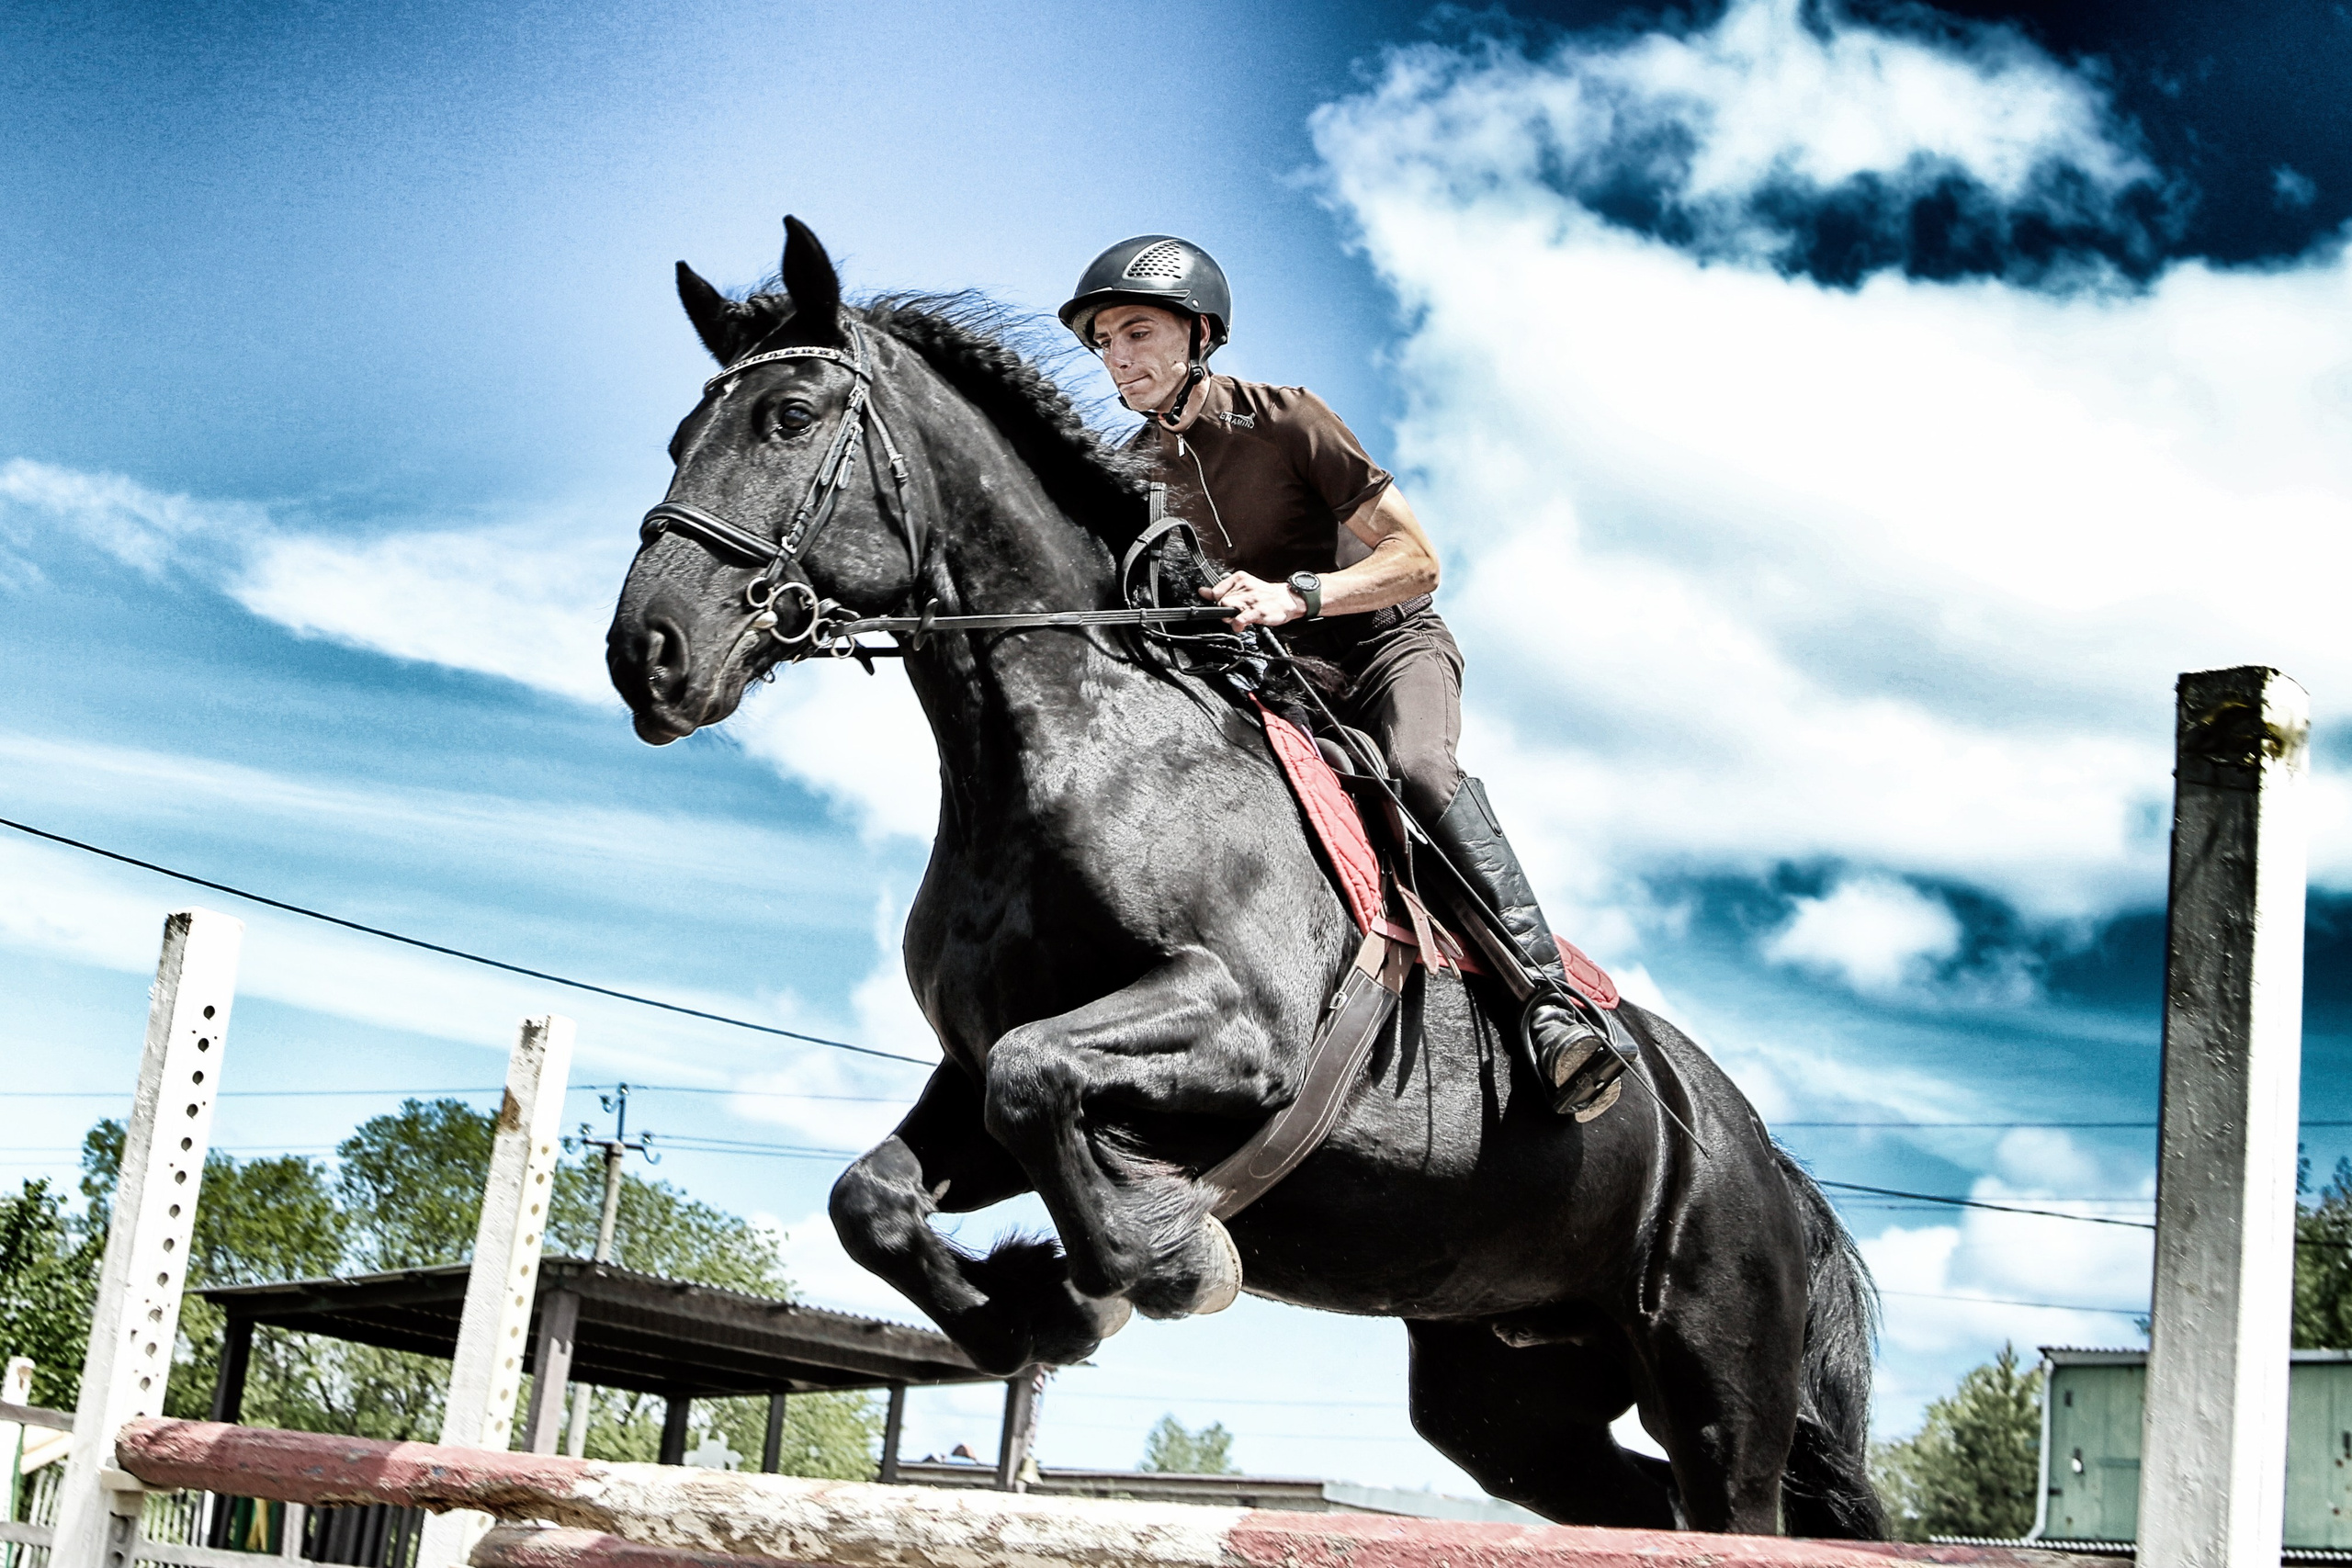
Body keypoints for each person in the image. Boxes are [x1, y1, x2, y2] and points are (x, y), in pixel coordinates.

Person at [1058, 234, 1623, 1119]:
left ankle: (1551, 1004)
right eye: (1103, 343)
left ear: (1199, 332)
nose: (1117, 358)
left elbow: (1419, 558)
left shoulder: (1288, 418)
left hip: (1389, 647)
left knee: (1421, 773)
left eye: (1136, 332)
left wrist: (1299, 595)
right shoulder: (1134, 473)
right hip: (1288, 683)